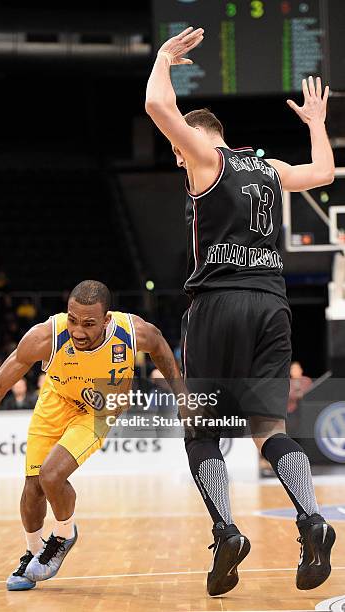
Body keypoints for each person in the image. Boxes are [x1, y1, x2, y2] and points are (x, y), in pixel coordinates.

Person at [145, 26, 336, 596]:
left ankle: (226, 531)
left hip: (219, 305)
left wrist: (161, 59)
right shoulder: (268, 168)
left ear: (195, 142)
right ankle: (311, 519)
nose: (180, 163)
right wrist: (317, 125)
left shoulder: (204, 156)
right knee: (269, 429)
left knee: (200, 430)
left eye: (179, 152)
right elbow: (323, 174)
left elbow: (158, 103)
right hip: (273, 306)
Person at [0, 280, 185, 591]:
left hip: (100, 409)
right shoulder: (46, 336)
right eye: (73, 320)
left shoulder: (133, 332)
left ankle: (63, 534)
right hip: (55, 401)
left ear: (106, 319)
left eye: (88, 323)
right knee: (32, 488)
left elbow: (162, 348)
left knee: (51, 475)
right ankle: (32, 552)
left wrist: (183, 397)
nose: (78, 331)